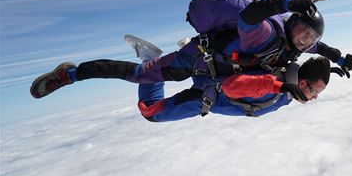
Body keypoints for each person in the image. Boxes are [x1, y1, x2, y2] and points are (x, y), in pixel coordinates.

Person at [30, 0, 352, 100]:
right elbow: (249, 17)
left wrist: (340, 59)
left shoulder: (297, 46)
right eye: (302, 32)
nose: (305, 41)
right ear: (291, 24)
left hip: (215, 69)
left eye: (309, 38)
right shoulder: (267, 34)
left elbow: (319, 48)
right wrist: (284, 2)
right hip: (195, 59)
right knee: (138, 75)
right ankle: (70, 74)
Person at [30, 36, 332, 121]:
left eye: (316, 93)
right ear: (301, 81)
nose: (313, 96)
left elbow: (305, 44)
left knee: (144, 87)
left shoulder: (287, 83)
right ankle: (70, 74)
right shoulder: (277, 85)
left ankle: (150, 62)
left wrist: (336, 58)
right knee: (150, 109)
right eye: (312, 89)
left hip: (207, 78)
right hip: (206, 94)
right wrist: (277, 85)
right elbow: (233, 87)